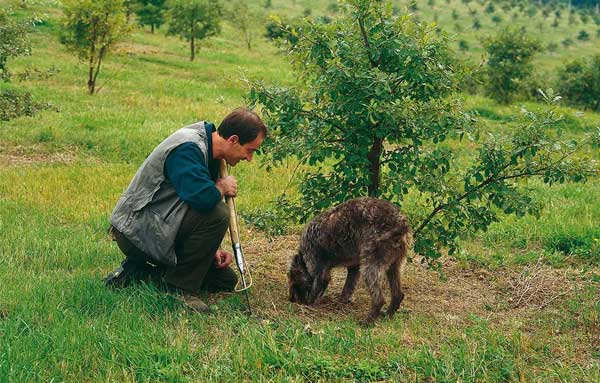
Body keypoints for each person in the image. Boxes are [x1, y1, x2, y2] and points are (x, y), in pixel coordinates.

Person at [104, 108, 267, 312]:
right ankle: (178, 289)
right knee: (219, 213)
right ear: (233, 140)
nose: (249, 158)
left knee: (224, 280)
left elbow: (190, 202)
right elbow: (202, 200)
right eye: (250, 150)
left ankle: (139, 274)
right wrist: (221, 187)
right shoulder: (188, 148)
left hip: (161, 227)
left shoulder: (212, 151)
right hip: (137, 233)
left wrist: (210, 250)